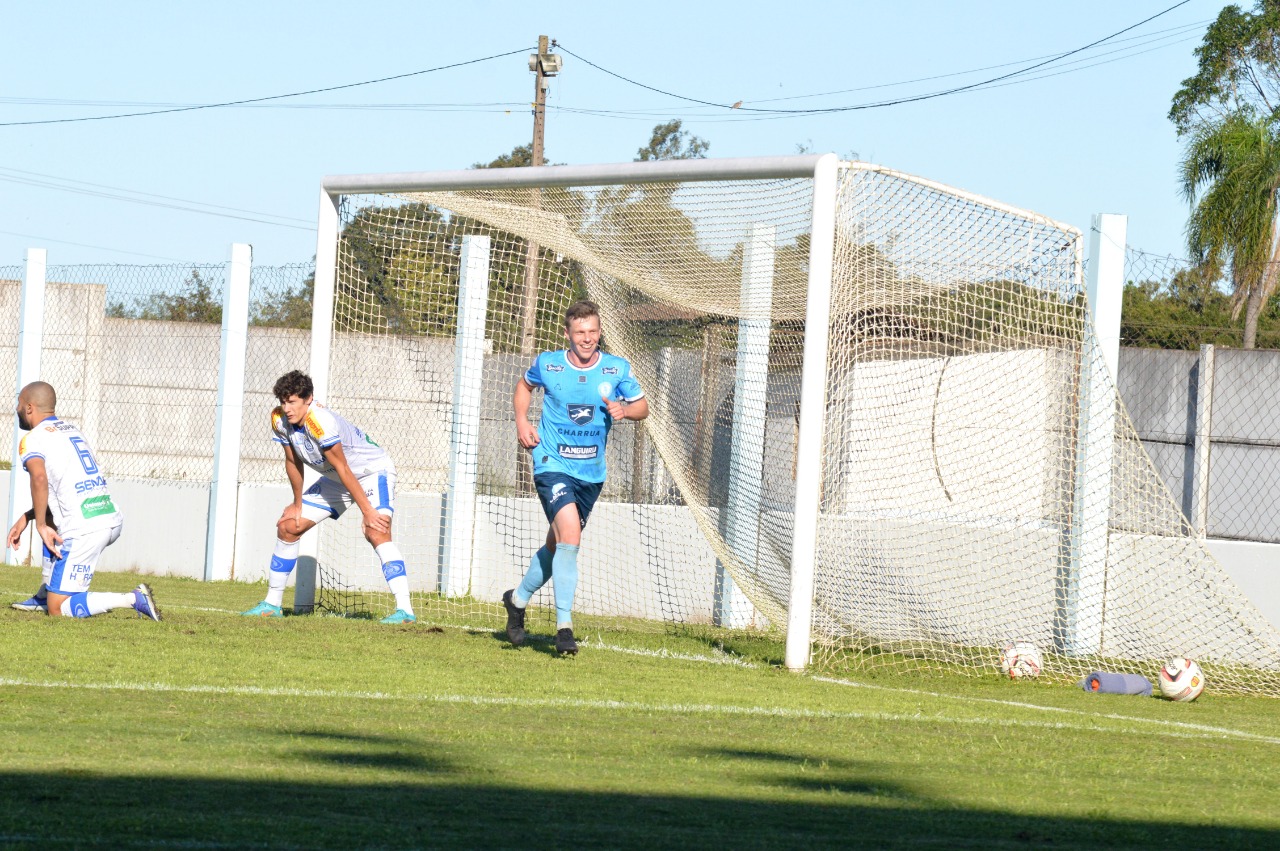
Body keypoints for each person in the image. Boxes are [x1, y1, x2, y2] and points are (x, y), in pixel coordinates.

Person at [502, 300, 648, 655]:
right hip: (551, 463)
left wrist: (625, 410)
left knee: (558, 546)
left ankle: (517, 600)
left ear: (600, 333)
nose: (587, 338)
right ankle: (564, 628)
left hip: (591, 473)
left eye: (593, 332)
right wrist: (522, 422)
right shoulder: (549, 364)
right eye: (580, 332)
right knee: (570, 535)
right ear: (567, 333)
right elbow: (524, 386)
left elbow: (643, 407)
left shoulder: (616, 369)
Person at [242, 370, 416, 624]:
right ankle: (271, 604)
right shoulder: (279, 419)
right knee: (288, 526)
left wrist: (368, 511)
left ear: (308, 399)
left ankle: (405, 611)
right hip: (336, 479)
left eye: (292, 402)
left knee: (376, 530)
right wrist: (297, 504)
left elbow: (344, 467)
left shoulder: (320, 422)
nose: (287, 408)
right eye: (283, 401)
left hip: (371, 473)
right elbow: (292, 461)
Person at [6, 381, 159, 621]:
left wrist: (39, 525)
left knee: (58, 609)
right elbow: (62, 491)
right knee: (52, 521)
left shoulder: (33, 439)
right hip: (106, 516)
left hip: (85, 529)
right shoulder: (71, 430)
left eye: (19, 403)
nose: (16, 408)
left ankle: (132, 598)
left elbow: (39, 477)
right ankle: (45, 593)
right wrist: (29, 517)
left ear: (29, 408)